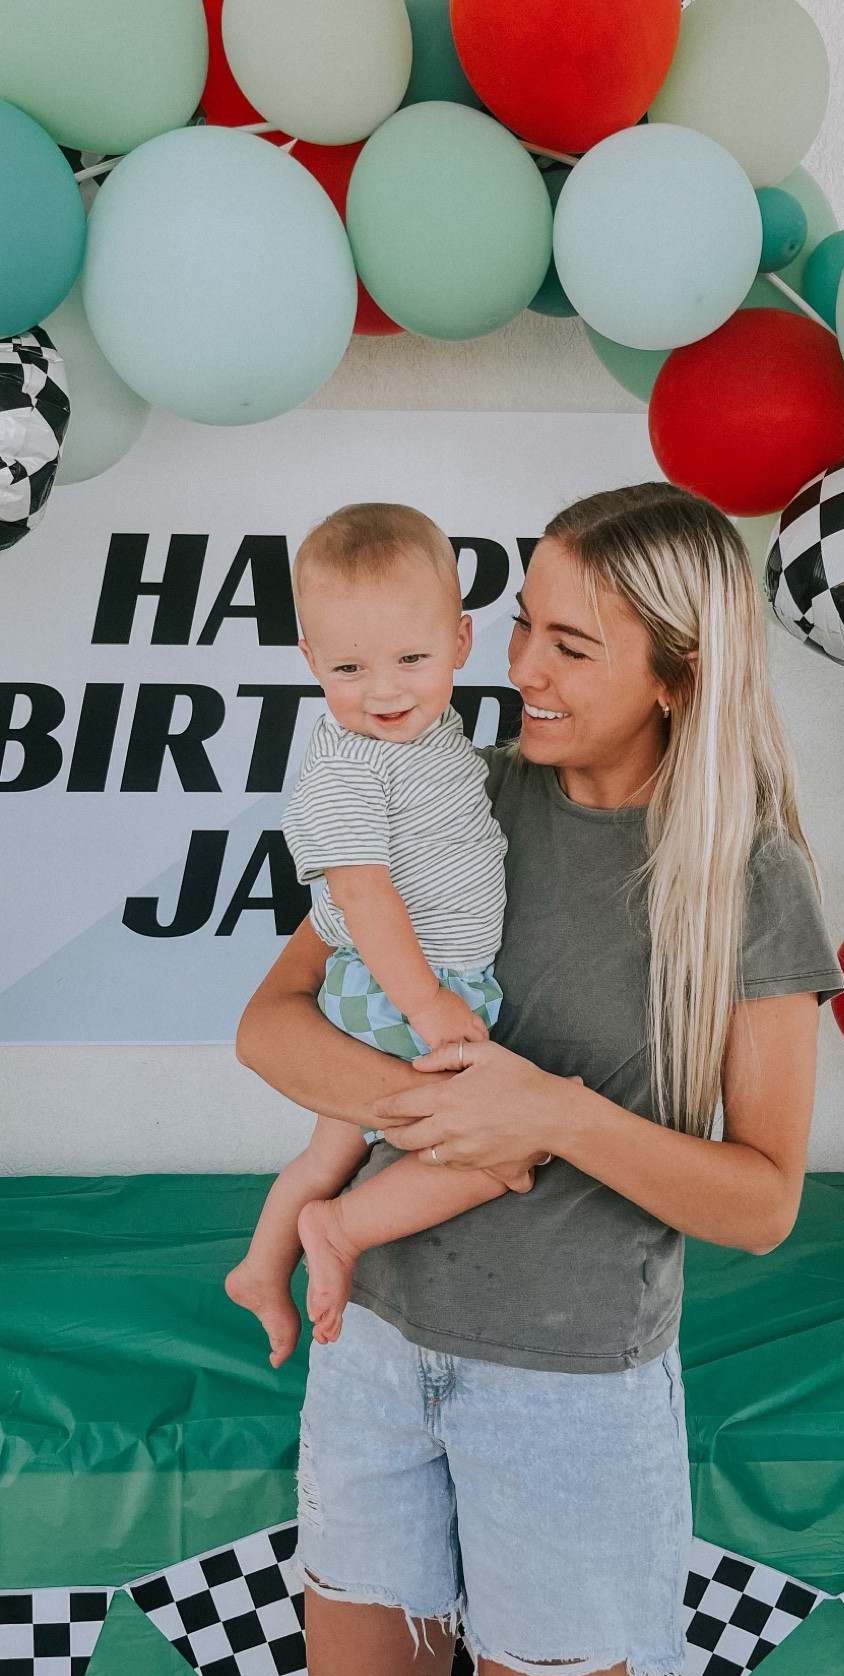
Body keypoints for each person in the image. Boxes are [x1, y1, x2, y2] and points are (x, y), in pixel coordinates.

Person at [237, 482, 844, 1676]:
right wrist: (436, 1105)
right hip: (376, 1354)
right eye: (523, 626)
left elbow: (764, 1204)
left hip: (572, 1399)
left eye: (572, 646)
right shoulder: (454, 794)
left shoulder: (748, 877)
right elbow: (273, 1025)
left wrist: (553, 1116)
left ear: (679, 675)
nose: (523, 669)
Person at [227, 503, 535, 1370]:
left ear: (463, 639)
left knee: (330, 1146)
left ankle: (261, 1266)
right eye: (350, 667)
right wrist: (429, 1004)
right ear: (310, 663)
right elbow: (363, 900)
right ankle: (339, 1226)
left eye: (412, 659)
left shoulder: (429, 737)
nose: (386, 690)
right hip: (405, 987)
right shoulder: (347, 769)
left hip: (412, 982)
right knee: (490, 1160)